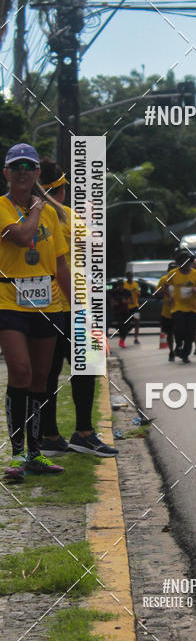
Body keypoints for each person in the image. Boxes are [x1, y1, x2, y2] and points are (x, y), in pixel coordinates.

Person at [37, 159, 117, 457]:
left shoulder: (24, 218)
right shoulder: (71, 218)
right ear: (60, 188)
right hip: (76, 305)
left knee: (47, 373)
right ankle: (83, 433)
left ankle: (49, 436)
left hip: (39, 307)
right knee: (86, 369)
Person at [0, 143, 71, 482]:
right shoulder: (2, 208)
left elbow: (60, 264)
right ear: (7, 174)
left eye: (29, 166)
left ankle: (35, 452)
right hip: (9, 301)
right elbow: (23, 235)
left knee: (42, 379)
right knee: (20, 371)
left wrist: (74, 309)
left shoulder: (54, 216)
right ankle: (14, 456)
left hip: (49, 303)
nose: (23, 171)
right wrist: (37, 209)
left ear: (38, 173)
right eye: (16, 167)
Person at [167, 250, 196, 363]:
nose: (186, 265)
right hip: (177, 307)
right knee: (180, 329)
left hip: (192, 308)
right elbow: (166, 287)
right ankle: (178, 345)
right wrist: (169, 297)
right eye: (183, 262)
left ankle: (185, 354)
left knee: (190, 332)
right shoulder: (172, 273)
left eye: (188, 262)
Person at [156, 261, 177, 361]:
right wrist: (163, 290)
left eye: (174, 269)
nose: (172, 272)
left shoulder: (179, 279)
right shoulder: (163, 280)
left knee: (180, 332)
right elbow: (157, 293)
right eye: (170, 270)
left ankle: (178, 347)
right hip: (167, 312)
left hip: (179, 310)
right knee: (170, 333)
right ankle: (171, 351)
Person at [110, 279, 133, 348]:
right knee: (121, 326)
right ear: (117, 286)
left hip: (126, 311)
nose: (120, 287)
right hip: (118, 312)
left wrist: (126, 301)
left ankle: (122, 340)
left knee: (126, 327)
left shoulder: (127, 292)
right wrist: (114, 303)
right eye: (119, 285)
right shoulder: (114, 292)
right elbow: (111, 302)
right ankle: (121, 340)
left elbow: (132, 301)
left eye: (122, 285)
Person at [123, 270, 141, 344]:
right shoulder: (124, 284)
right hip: (127, 306)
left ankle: (136, 338)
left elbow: (139, 293)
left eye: (132, 276)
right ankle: (123, 338)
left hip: (135, 306)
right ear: (127, 277)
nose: (131, 277)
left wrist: (136, 291)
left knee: (137, 322)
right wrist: (129, 291)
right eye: (129, 276)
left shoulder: (135, 284)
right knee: (127, 323)